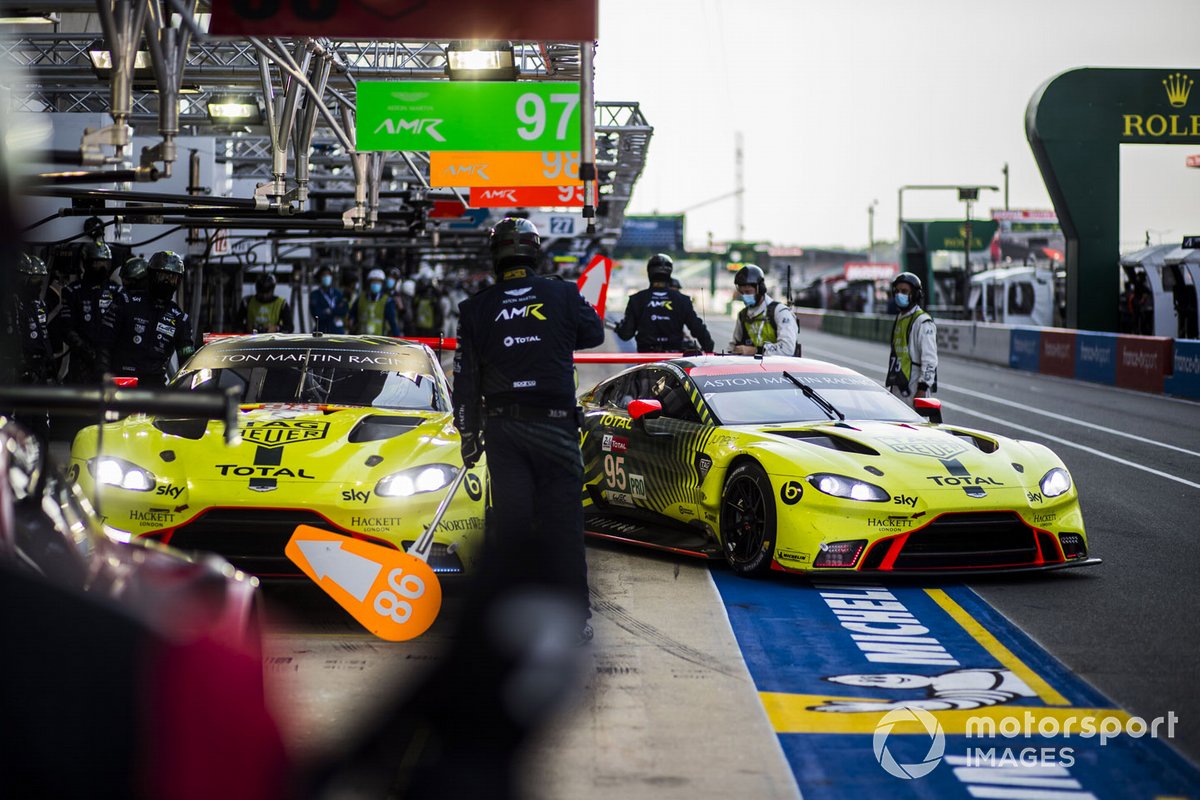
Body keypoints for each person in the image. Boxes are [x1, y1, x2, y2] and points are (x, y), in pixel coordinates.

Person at [454, 217, 604, 642]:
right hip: (556, 428)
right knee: (564, 524)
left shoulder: (476, 307)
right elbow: (592, 335)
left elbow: (465, 378)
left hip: (505, 430)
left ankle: (509, 617)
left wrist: (467, 435)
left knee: (512, 527)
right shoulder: (562, 293)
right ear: (534, 252)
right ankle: (574, 619)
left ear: (495, 254)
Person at [98, 251, 195, 387]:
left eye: (172, 278)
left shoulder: (180, 318)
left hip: (154, 388)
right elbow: (104, 343)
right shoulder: (126, 302)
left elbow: (187, 361)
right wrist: (104, 376)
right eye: (162, 276)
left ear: (178, 281)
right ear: (151, 275)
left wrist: (185, 389)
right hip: (122, 383)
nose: (166, 282)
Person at [614, 253, 714, 353]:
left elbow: (625, 334)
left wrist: (619, 328)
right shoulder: (682, 300)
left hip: (646, 358)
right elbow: (698, 328)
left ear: (649, 272)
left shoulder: (637, 299)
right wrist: (708, 350)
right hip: (672, 358)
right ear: (669, 272)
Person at [60, 240, 121, 383]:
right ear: (86, 263)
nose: (101, 267)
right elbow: (66, 329)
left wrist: (105, 355)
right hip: (82, 361)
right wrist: (87, 352)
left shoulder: (118, 292)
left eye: (105, 263)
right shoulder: (72, 291)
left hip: (110, 359)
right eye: (97, 263)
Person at [884, 271, 938, 405]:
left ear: (914, 294)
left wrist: (922, 389)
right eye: (897, 291)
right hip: (897, 386)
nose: (899, 294)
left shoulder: (923, 321)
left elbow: (930, 360)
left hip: (914, 389)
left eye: (904, 291)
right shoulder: (900, 318)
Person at [1, 254, 54, 386]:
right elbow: (14, 334)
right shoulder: (11, 302)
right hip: (15, 364)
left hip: (37, 364)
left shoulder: (38, 304)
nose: (40, 283)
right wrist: (22, 363)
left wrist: (49, 357)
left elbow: (43, 333)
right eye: (35, 278)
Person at [729, 264, 800, 356]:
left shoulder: (780, 312)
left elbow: (787, 349)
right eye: (742, 293)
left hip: (779, 368)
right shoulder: (742, 315)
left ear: (761, 289)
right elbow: (732, 347)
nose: (744, 296)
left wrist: (754, 351)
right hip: (752, 368)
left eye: (748, 292)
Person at [349, 268, 402, 336]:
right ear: (369, 283)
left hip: (379, 340)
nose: (376, 284)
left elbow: (393, 323)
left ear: (382, 284)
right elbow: (352, 315)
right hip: (361, 340)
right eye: (373, 282)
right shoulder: (361, 299)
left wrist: (397, 339)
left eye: (378, 282)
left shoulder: (387, 301)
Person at [310, 265, 348, 334]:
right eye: (324, 275)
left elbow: (344, 310)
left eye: (328, 275)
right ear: (319, 278)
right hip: (322, 331)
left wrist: (328, 311)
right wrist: (336, 310)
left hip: (337, 331)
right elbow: (317, 315)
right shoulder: (315, 295)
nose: (326, 277)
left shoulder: (337, 293)